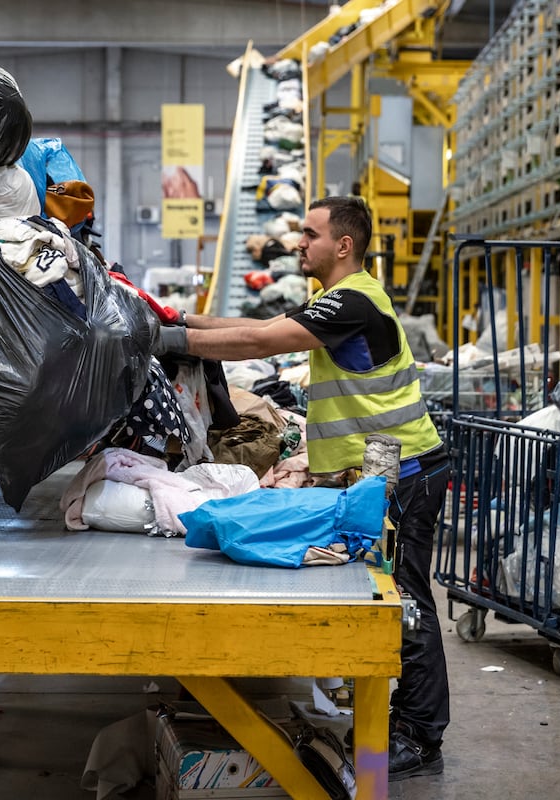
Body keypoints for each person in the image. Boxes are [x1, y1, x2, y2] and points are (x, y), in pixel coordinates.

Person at [155, 196, 450, 781]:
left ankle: (420, 733)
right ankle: (404, 717)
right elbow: (257, 327)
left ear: (343, 244)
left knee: (406, 606)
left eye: (310, 234)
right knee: (391, 600)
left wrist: (172, 344)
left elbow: (264, 343)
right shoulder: (334, 300)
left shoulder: (353, 301)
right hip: (384, 474)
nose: (298, 243)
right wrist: (176, 322)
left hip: (406, 472)